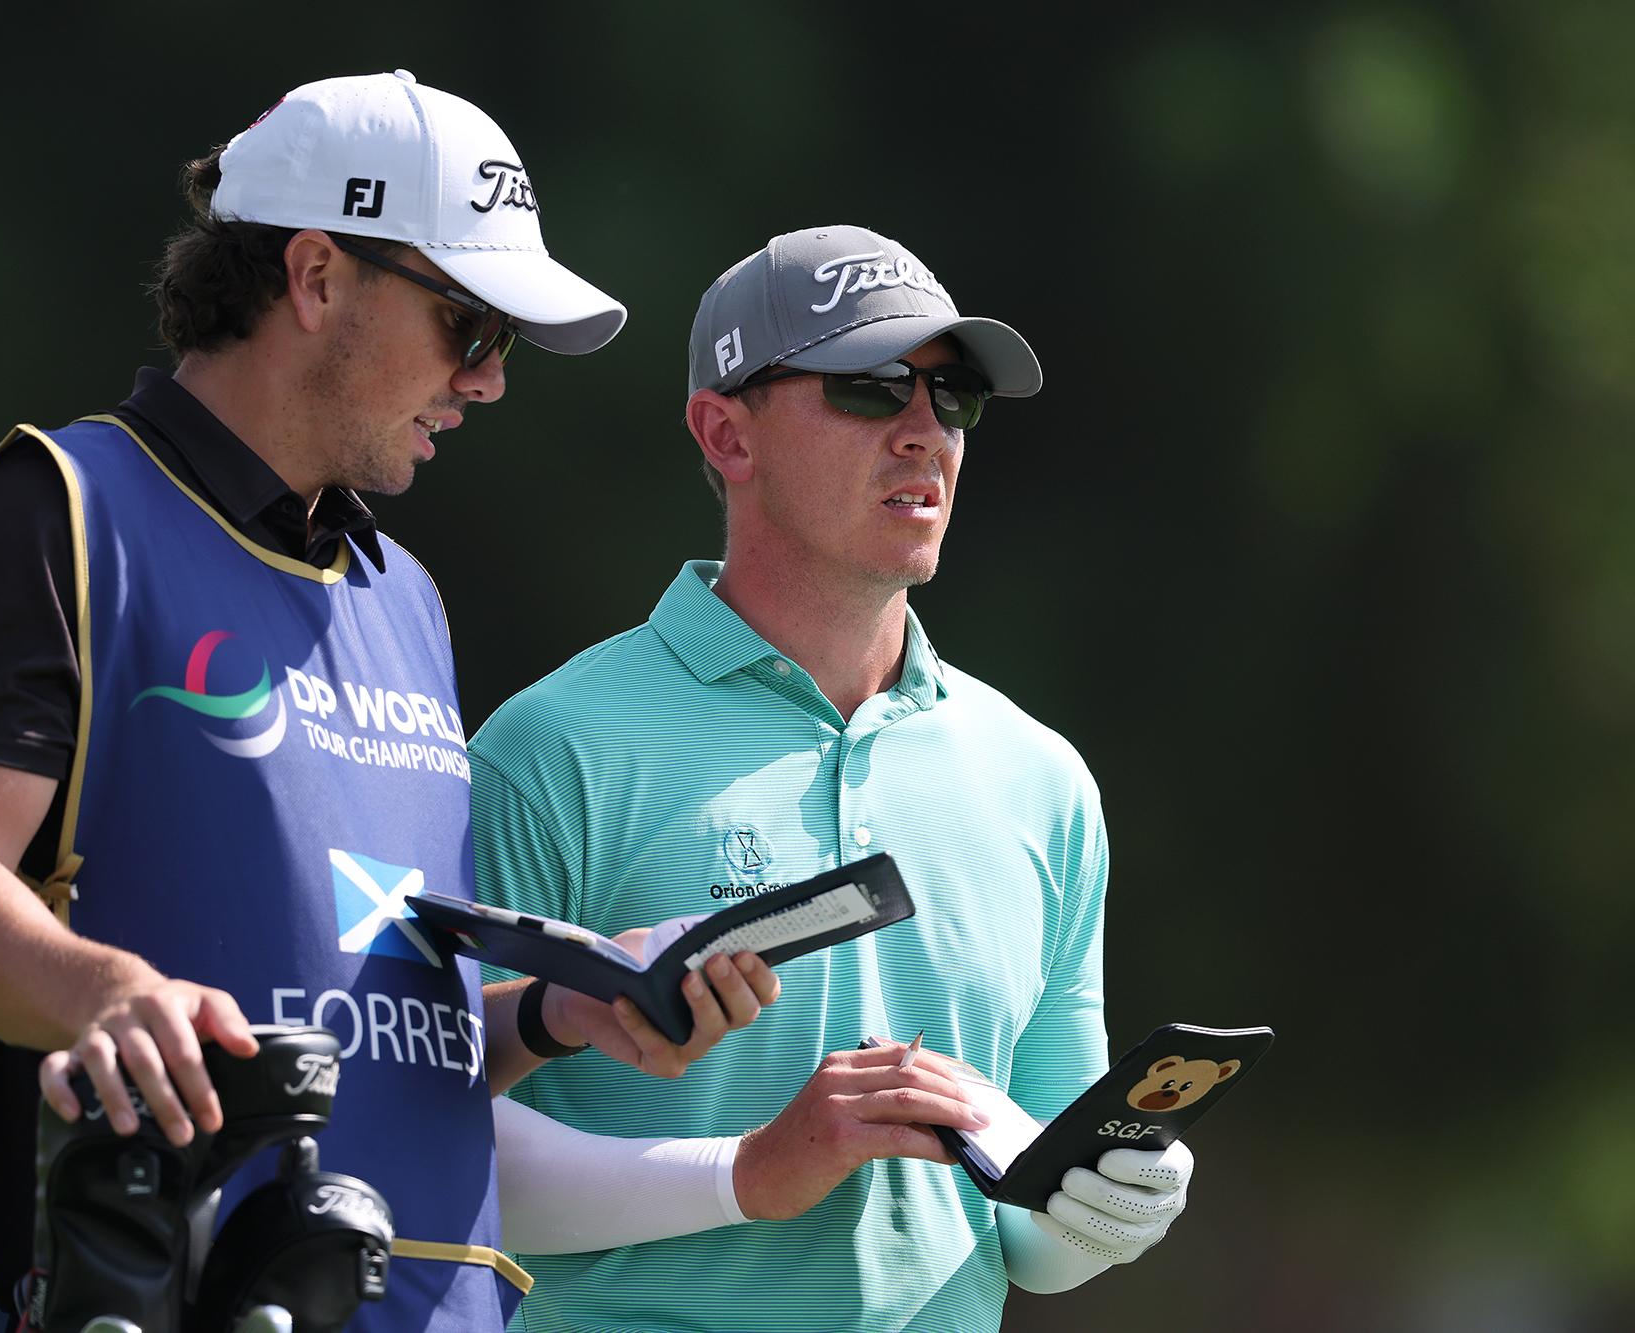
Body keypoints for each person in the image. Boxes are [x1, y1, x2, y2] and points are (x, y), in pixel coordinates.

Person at [0, 71, 774, 1333]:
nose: (489, 380)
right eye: (469, 326)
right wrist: (106, 992)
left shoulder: (402, 594)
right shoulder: (61, 508)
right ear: (314, 277)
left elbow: (396, 1021)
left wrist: (565, 1009)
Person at [469, 225, 1196, 1331]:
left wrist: (1103, 1209)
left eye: (951, 397)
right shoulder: (546, 749)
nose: (923, 432)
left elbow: (1025, 1234)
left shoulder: (1040, 780)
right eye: (869, 387)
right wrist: (750, 1167)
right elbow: (431, 1138)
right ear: (725, 433)